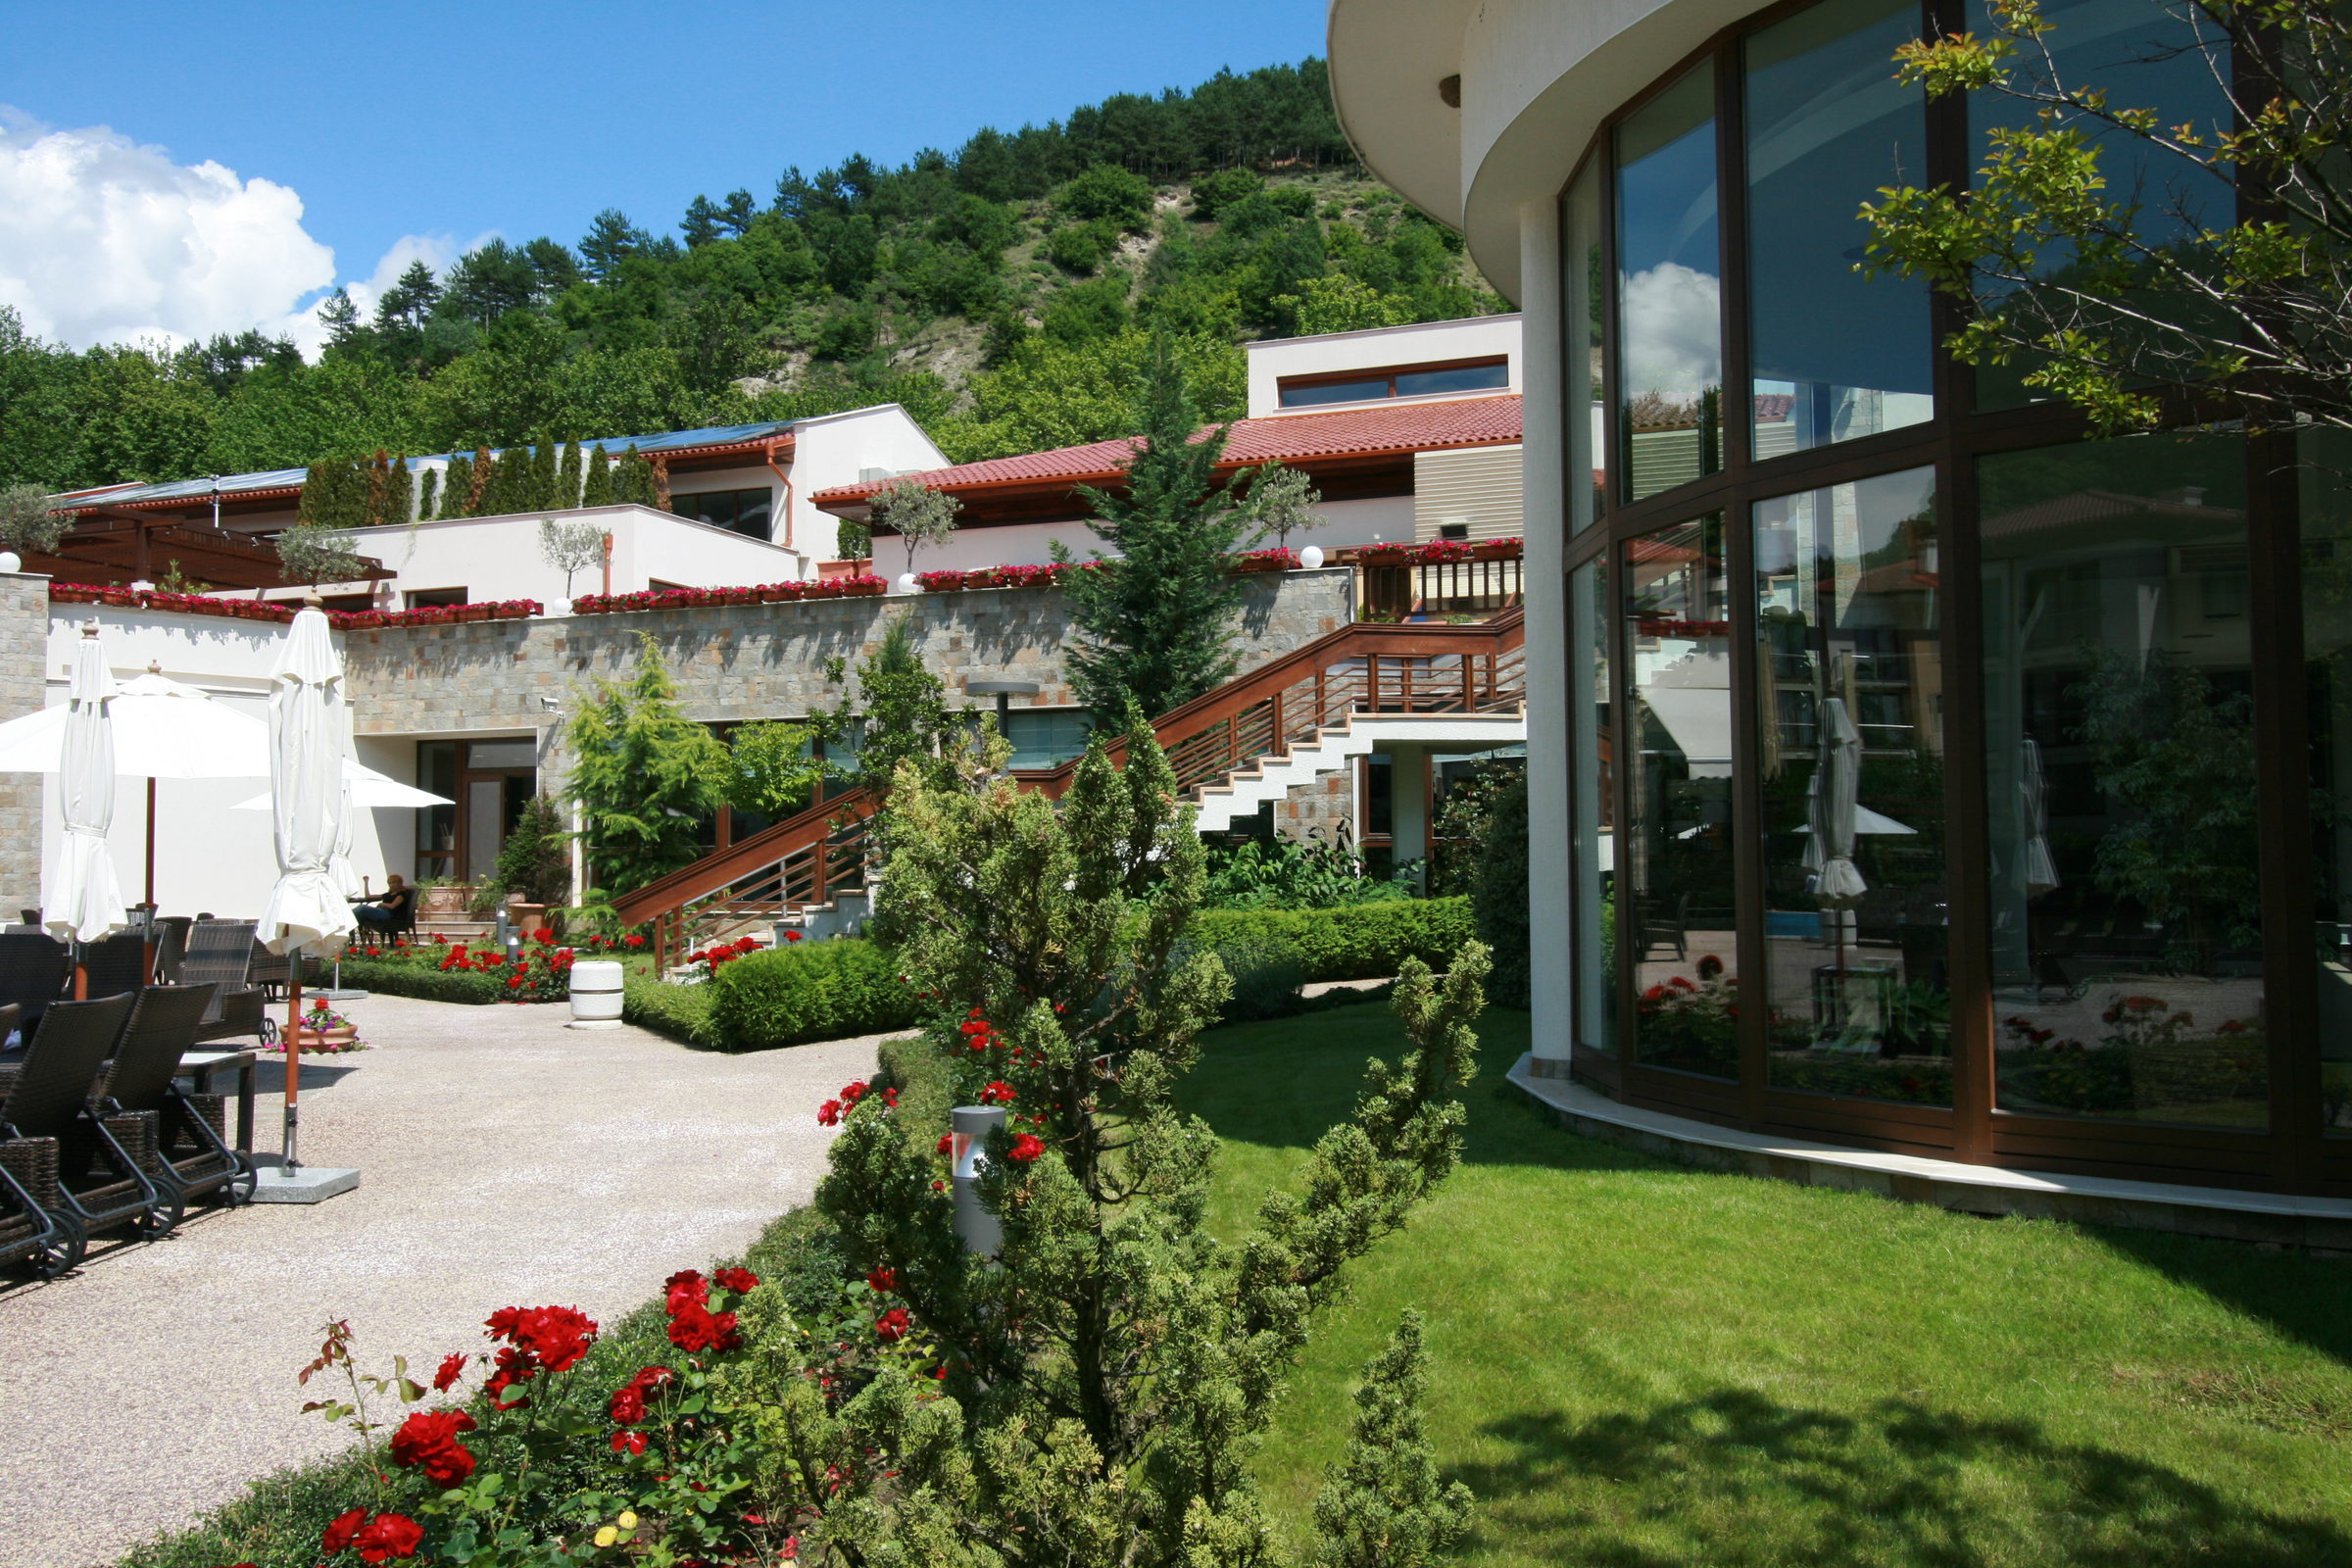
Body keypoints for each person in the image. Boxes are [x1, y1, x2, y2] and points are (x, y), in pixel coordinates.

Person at [352, 874, 416, 939]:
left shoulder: (401, 894)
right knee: (360, 915)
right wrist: (366, 882)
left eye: (394, 882)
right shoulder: (388, 894)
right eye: (390, 883)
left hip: (389, 914)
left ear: (399, 883)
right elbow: (368, 896)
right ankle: (357, 936)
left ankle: (350, 921)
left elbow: (392, 906)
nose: (392, 885)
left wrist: (381, 904)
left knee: (362, 908)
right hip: (382, 911)